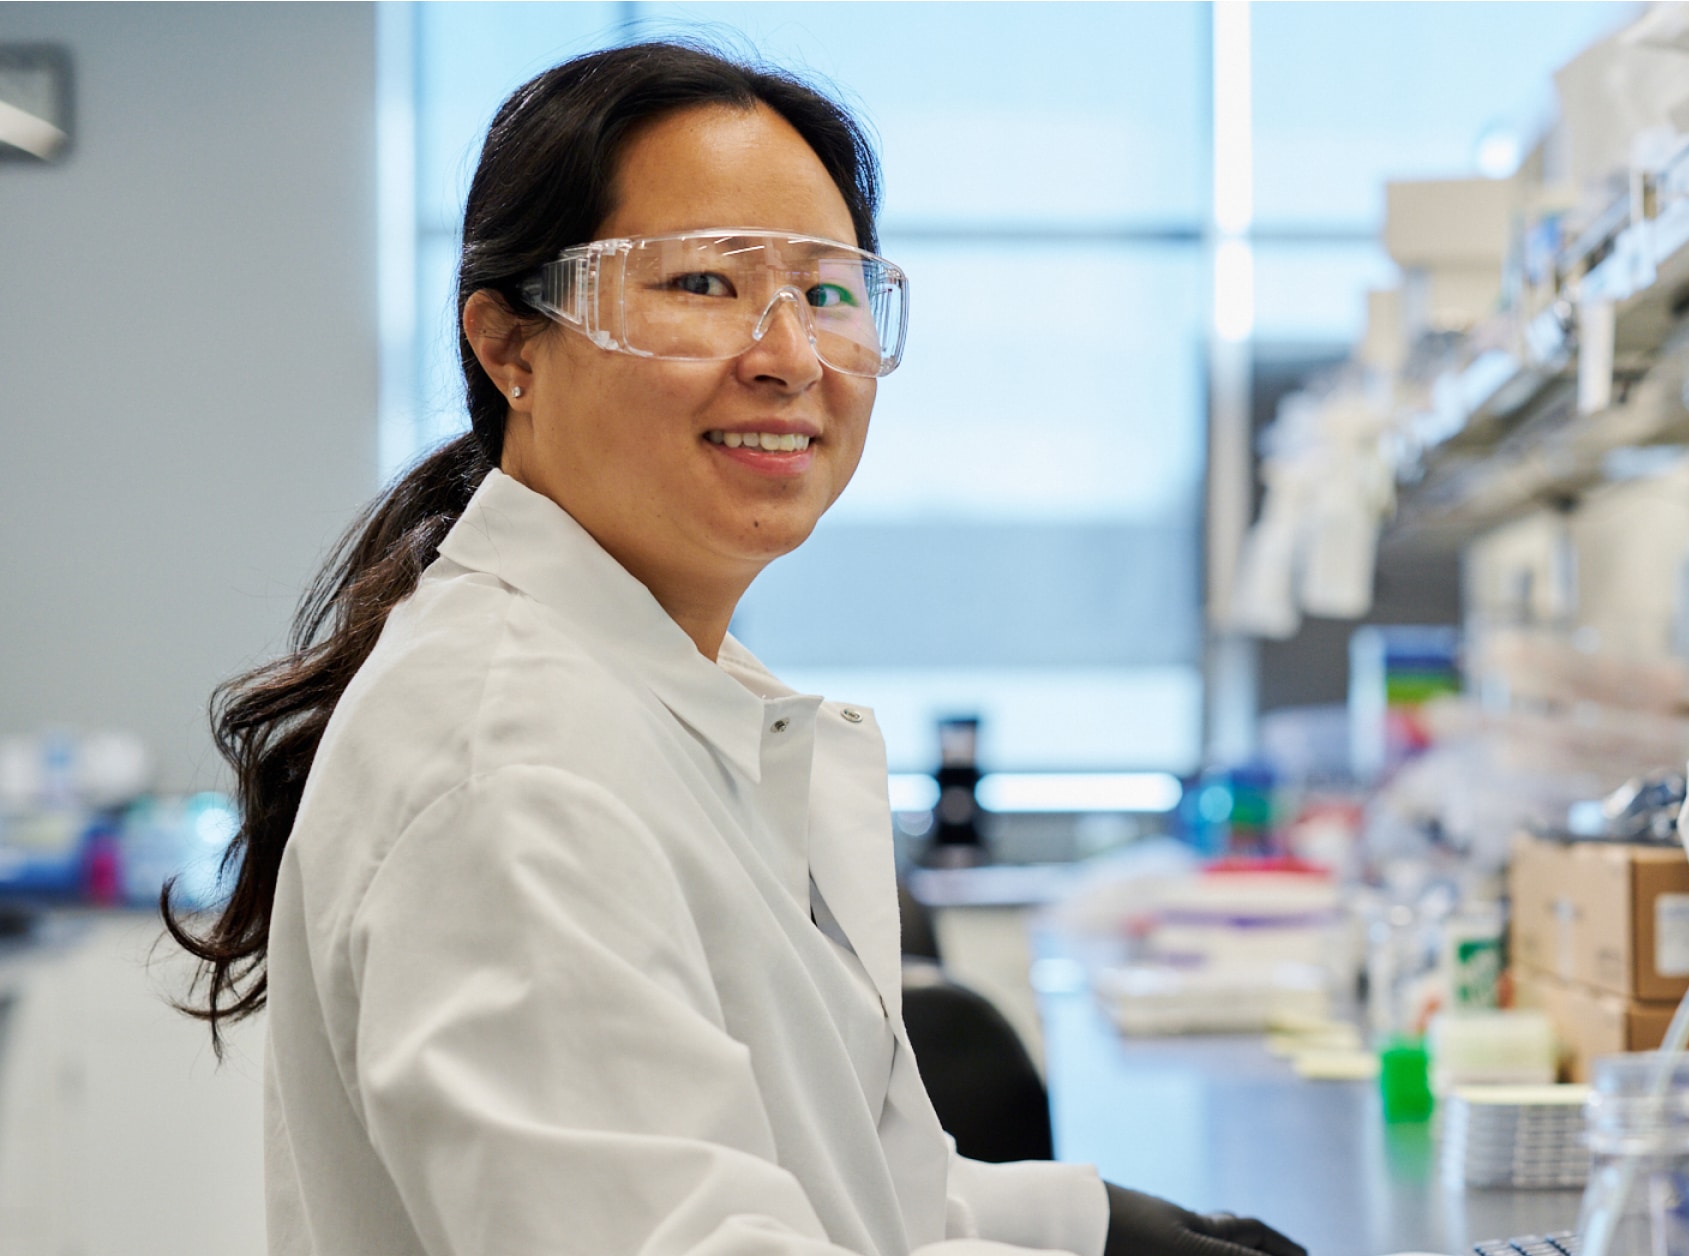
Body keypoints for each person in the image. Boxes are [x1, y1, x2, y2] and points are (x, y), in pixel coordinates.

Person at [162, 41, 1303, 1256]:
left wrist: (1098, 1226)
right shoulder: (515, 765)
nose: (790, 356)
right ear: (509, 349)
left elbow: (841, 1187)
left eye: (826, 293)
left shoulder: (662, 692)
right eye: (703, 283)